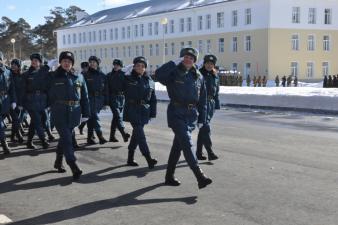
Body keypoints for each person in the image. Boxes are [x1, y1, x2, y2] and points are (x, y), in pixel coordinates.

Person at [155, 47, 212, 189]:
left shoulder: (198, 76)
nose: (188, 60)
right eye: (185, 57)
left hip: (191, 115)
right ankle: (200, 176)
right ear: (181, 58)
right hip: (176, 112)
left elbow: (203, 100)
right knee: (187, 142)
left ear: (194, 61)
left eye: (191, 58)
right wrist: (172, 63)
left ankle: (169, 176)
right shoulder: (173, 72)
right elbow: (158, 75)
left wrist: (202, 119)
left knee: (178, 146)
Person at [48, 51, 90, 180]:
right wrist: (46, 67)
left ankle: (58, 161)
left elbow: (85, 96)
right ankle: (73, 164)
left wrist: (86, 113)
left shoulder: (79, 77)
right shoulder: (52, 76)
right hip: (59, 111)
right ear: (60, 62)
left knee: (64, 139)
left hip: (74, 112)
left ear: (72, 64)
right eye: (64, 61)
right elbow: (39, 84)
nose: (67, 63)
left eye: (69, 62)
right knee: (67, 138)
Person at [124, 56, 157, 168]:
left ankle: (129, 158)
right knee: (141, 135)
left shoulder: (149, 80)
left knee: (136, 135)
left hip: (144, 111)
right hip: (132, 109)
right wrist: (121, 72)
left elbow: (153, 99)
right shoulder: (128, 78)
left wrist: (153, 113)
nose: (140, 68)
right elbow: (116, 84)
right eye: (137, 65)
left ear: (145, 68)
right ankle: (149, 158)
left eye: (142, 66)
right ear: (134, 66)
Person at [22, 53, 49, 149]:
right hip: (31, 100)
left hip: (42, 100)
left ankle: (29, 141)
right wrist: (22, 103)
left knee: (42, 120)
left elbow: (49, 87)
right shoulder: (26, 74)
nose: (34, 62)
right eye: (33, 60)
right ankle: (43, 140)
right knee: (37, 121)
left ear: (40, 62)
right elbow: (23, 89)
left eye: (36, 60)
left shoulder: (45, 73)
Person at [196, 54, 220, 161]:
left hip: (211, 104)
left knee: (203, 129)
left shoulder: (215, 75)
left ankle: (198, 153)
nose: (209, 65)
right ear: (204, 63)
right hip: (201, 103)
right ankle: (210, 152)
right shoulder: (198, 74)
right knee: (205, 128)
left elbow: (217, 91)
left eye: (211, 64)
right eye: (207, 63)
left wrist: (216, 105)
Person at [84, 56, 108, 145]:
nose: (92, 64)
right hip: (89, 99)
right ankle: (100, 135)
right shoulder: (85, 75)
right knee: (94, 117)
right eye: (90, 62)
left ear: (97, 64)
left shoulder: (102, 75)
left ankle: (89, 138)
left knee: (91, 119)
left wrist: (106, 102)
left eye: (94, 62)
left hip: (99, 99)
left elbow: (106, 90)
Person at [105, 59, 130, 142]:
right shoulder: (109, 75)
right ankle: (124, 133)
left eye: (118, 65)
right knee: (118, 116)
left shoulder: (124, 74)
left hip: (121, 98)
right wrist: (107, 100)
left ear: (121, 66)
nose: (115, 66)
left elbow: (127, 86)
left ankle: (112, 136)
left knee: (116, 118)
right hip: (113, 97)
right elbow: (106, 89)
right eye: (114, 64)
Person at [0, 52, 17, 154]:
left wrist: (14, 100)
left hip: (6, 100)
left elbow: (12, 88)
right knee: (1, 125)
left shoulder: (8, 72)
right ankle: (4, 144)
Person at [9, 59, 25, 144]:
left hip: (20, 102)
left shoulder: (22, 76)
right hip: (11, 101)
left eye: (15, 64)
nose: (13, 66)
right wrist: (13, 101)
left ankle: (12, 136)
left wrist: (21, 103)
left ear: (19, 66)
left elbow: (23, 90)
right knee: (16, 119)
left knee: (18, 120)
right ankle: (19, 136)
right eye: (12, 64)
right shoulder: (9, 74)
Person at [78, 62, 89, 135]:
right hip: (81, 98)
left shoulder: (89, 74)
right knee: (84, 115)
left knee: (88, 116)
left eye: (86, 67)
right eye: (84, 67)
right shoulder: (80, 76)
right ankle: (81, 127)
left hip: (88, 97)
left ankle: (82, 127)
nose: (85, 69)